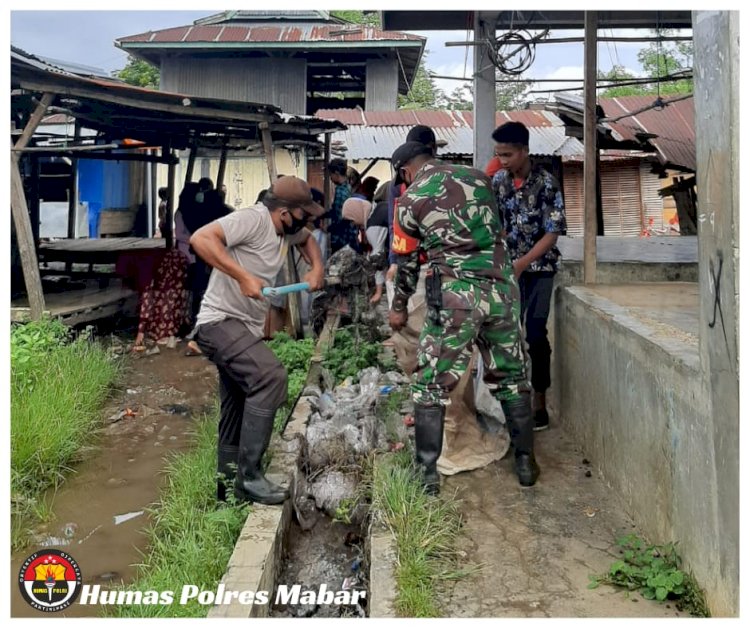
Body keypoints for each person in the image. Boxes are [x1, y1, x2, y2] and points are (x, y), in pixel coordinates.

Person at [388, 140, 537, 493]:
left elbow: (406, 266)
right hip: (502, 290)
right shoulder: (479, 179)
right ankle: (526, 463)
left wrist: (398, 308)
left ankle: (426, 474)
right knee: (513, 375)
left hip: (456, 298)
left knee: (431, 383)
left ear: (405, 171)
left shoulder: (409, 200)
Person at [190, 176, 325, 505]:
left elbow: (307, 241)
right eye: (302, 214)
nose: (307, 221)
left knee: (237, 404)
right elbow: (201, 238)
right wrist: (243, 275)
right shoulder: (253, 219)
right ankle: (249, 478)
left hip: (241, 329)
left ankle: (226, 491)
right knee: (270, 377)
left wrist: (316, 267)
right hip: (220, 323)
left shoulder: (287, 232)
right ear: (283, 212)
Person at [491, 121, 566, 432]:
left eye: (508, 154)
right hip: (509, 270)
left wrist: (523, 262)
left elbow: (553, 233)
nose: (503, 160)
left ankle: (539, 400)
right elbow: (495, 222)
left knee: (535, 333)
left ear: (524, 151)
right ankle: (511, 401)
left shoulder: (547, 184)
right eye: (499, 154)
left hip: (539, 270)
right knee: (506, 334)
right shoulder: (498, 181)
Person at [385, 125, 440, 306]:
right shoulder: (398, 185)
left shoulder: (444, 178)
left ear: (432, 149)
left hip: (441, 263)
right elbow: (395, 224)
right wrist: (394, 261)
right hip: (417, 261)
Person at [342, 197, 389, 304]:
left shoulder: (373, 225)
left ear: (356, 213)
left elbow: (378, 260)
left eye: (352, 220)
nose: (353, 224)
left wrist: (378, 292)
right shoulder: (379, 206)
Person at [327, 158, 359, 253]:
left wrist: (329, 228)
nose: (331, 178)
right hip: (351, 237)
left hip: (341, 240)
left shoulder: (341, 191)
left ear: (336, 173)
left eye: (331, 175)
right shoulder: (349, 188)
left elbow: (342, 218)